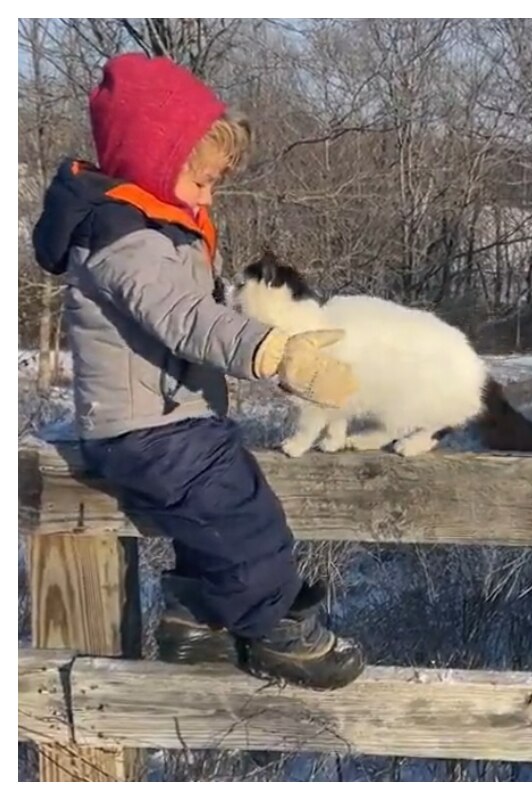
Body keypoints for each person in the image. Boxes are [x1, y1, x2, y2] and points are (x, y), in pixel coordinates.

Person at [32, 53, 364, 690]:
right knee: (245, 521)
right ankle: (278, 632)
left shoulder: (152, 228)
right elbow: (183, 317)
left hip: (168, 420)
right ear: (152, 161)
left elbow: (191, 317)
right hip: (147, 430)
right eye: (202, 181)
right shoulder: (122, 236)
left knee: (219, 513)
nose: (210, 197)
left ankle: (195, 621)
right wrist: (273, 354)